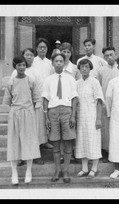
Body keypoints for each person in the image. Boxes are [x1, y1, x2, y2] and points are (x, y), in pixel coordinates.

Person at [2, 55, 41, 184]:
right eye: (19, 65)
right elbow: (7, 101)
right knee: (14, 143)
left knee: (28, 142)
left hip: (28, 114)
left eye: (24, 65)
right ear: (15, 66)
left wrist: (31, 113)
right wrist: (12, 114)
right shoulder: (11, 82)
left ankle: (28, 171)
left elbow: (36, 99)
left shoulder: (31, 80)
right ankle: (14, 173)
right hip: (15, 114)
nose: (22, 67)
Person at [42, 53, 78, 183]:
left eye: (61, 61)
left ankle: (66, 171)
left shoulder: (70, 79)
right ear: (52, 63)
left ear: (64, 63)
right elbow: (45, 99)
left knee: (68, 143)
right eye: (56, 61)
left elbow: (74, 98)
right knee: (56, 144)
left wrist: (73, 115)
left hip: (67, 111)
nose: (58, 63)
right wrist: (46, 117)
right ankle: (57, 170)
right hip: (53, 112)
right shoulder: (48, 80)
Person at [75, 59, 104, 179]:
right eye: (82, 67)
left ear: (90, 68)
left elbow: (99, 101)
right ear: (79, 69)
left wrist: (98, 119)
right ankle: (84, 168)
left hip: (92, 116)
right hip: (81, 117)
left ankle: (94, 168)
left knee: (93, 141)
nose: (84, 69)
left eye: (86, 67)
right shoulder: (77, 83)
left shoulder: (95, 82)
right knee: (82, 141)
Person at [92, 46, 119, 163]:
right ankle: (105, 151)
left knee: (116, 128)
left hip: (118, 103)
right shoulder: (101, 70)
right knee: (105, 129)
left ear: (115, 54)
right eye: (107, 55)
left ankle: (116, 152)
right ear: (104, 57)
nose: (109, 57)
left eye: (111, 54)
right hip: (104, 103)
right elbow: (98, 87)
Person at [31, 38, 56, 154]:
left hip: (47, 94)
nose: (42, 49)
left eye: (44, 47)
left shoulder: (50, 63)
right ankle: (37, 143)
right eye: (40, 47)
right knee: (37, 120)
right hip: (35, 95)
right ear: (36, 49)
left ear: (47, 49)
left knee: (46, 118)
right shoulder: (32, 61)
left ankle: (45, 141)